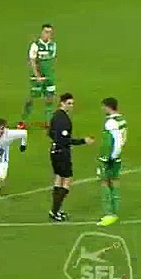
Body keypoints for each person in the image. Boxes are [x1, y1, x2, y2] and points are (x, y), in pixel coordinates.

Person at [48, 93, 93, 222]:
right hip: (62, 153)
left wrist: (57, 141)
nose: (71, 106)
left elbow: (50, 133)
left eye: (72, 103)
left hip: (54, 151)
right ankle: (55, 211)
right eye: (69, 103)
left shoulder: (56, 115)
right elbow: (64, 140)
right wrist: (83, 141)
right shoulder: (63, 119)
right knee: (67, 180)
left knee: (58, 178)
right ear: (62, 103)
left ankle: (56, 209)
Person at [97, 97, 127, 226]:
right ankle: (116, 210)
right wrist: (117, 153)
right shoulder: (122, 120)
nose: (102, 109)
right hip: (117, 155)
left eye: (103, 106)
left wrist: (107, 157)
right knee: (115, 180)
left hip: (109, 156)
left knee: (104, 181)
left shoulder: (110, 122)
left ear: (108, 107)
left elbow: (112, 141)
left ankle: (109, 214)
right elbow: (123, 138)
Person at [21, 24, 57, 129]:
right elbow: (32, 61)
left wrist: (50, 74)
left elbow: (51, 60)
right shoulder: (35, 45)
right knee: (31, 98)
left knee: (49, 98)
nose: (48, 34)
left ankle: (48, 122)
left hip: (49, 77)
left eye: (50, 32)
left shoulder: (53, 45)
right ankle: (23, 120)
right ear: (42, 32)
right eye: (46, 32)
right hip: (37, 77)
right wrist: (37, 76)